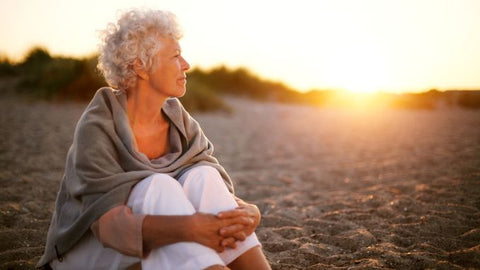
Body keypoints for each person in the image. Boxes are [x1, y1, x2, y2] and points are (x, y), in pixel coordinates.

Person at [37, 8, 271, 270]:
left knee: (203, 175)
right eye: (175, 56)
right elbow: (108, 227)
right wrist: (189, 228)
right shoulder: (99, 125)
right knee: (159, 185)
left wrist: (250, 212)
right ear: (141, 66)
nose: (186, 65)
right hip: (89, 251)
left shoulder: (178, 120)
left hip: (157, 239)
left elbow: (213, 194)